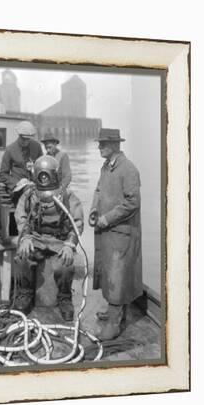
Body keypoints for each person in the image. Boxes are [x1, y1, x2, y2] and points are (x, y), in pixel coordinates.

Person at [14, 155, 84, 321]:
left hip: (59, 241)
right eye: (41, 175)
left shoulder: (67, 196)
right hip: (35, 238)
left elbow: (78, 222)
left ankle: (65, 297)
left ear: (55, 174)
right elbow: (21, 217)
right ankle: (25, 293)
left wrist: (69, 244)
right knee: (23, 257)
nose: (44, 178)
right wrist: (25, 238)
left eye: (47, 175)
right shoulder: (30, 195)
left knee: (65, 265)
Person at [90, 128, 143, 340]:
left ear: (114, 146)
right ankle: (114, 311)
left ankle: (114, 322)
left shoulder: (128, 169)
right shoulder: (106, 166)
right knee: (108, 273)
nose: (99, 147)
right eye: (100, 143)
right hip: (107, 231)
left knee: (118, 275)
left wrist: (107, 218)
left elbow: (133, 202)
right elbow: (98, 191)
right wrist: (94, 210)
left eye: (102, 144)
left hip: (121, 233)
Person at [0, 121, 43, 205]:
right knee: (29, 194)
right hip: (17, 189)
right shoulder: (10, 150)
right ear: (19, 135)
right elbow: (3, 174)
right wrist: (17, 183)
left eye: (28, 139)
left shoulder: (37, 146)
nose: (25, 142)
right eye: (23, 139)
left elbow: (42, 168)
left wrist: (34, 168)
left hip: (35, 185)